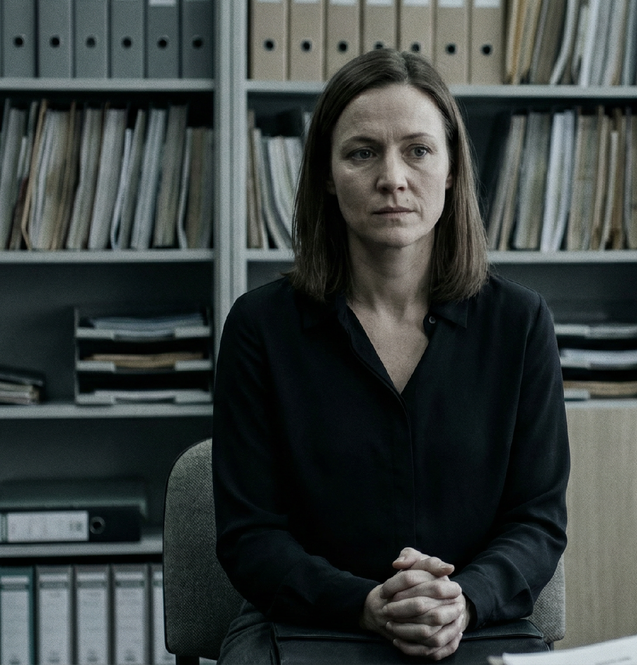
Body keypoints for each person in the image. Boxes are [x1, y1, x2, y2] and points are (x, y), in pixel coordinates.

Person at [212, 49, 569, 663]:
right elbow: (250, 535)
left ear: (451, 168)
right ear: (327, 175)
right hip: (309, 624)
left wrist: (463, 600)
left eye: (418, 150)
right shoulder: (260, 328)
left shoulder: (520, 324)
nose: (393, 178)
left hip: (472, 624)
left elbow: (537, 522)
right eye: (362, 153)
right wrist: (365, 604)